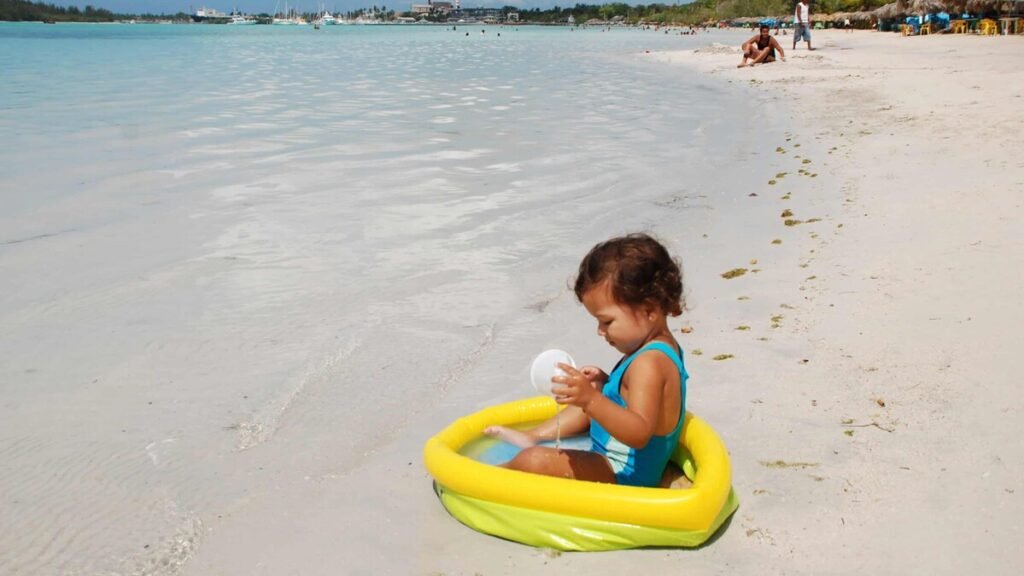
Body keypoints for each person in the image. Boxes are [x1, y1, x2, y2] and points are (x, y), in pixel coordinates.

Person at [484, 233, 689, 487]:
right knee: (595, 389)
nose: (600, 331)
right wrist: (606, 383)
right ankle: (532, 435)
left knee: (534, 460)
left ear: (649, 310)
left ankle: (487, 479)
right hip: (616, 458)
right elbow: (640, 398)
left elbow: (639, 433)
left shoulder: (650, 363)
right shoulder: (656, 349)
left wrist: (591, 401)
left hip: (622, 473)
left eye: (607, 321)